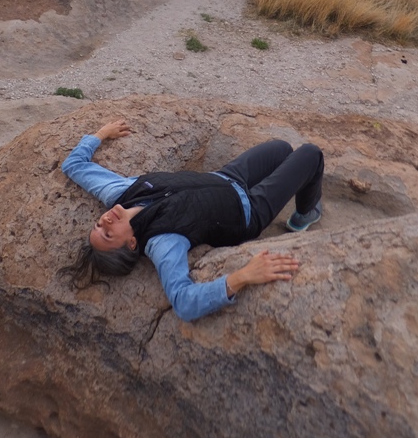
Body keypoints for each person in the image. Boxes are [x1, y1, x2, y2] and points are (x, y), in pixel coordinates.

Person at [62, 119, 324, 322]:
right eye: (108, 234)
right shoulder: (162, 241)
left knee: (281, 148)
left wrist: (100, 134)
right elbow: (184, 303)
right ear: (131, 243)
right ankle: (304, 216)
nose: (105, 222)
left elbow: (73, 165)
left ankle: (298, 188)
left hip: (226, 177)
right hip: (248, 212)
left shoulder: (118, 192)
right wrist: (242, 277)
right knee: (311, 154)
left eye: (98, 225)